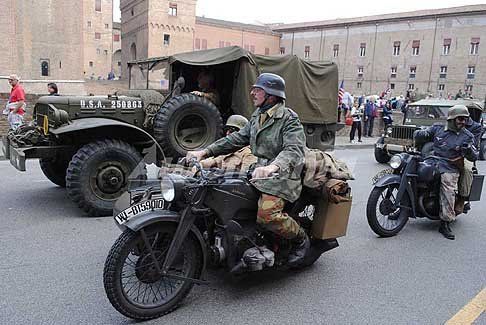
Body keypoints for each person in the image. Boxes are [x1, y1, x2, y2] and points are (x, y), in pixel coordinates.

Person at [186, 73, 309, 266]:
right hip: (256, 171)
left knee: (267, 216)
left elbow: (293, 150)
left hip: (281, 177)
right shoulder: (257, 116)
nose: (252, 93)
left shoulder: (288, 119)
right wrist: (206, 152)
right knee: (221, 191)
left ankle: (300, 238)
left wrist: (273, 167)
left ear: (272, 95)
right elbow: (237, 139)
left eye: (258, 89)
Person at [414, 105, 478, 240]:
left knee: (448, 185)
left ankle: (445, 222)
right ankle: (402, 208)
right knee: (412, 172)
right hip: (433, 160)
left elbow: (474, 156)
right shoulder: (438, 128)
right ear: (452, 118)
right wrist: (418, 132)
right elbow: (423, 135)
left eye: (465, 119)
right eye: (460, 119)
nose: (463, 122)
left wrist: (468, 151)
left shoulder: (467, 136)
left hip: (450, 165)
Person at [456, 108, 483, 214]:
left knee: (467, 170)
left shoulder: (475, 127)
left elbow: (473, 144)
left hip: (465, 154)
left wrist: (461, 129)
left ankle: (462, 199)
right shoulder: (451, 123)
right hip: (448, 151)